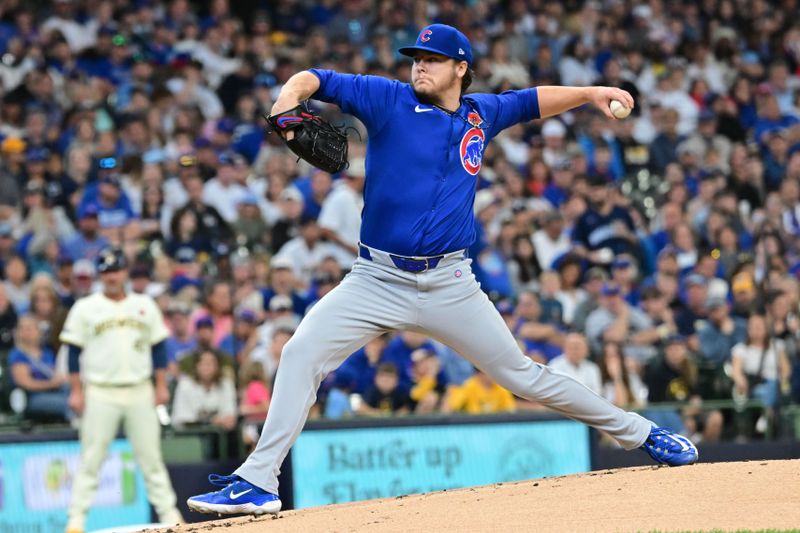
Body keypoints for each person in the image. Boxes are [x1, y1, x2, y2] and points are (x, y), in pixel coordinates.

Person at [188, 23, 697, 516]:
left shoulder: (482, 114)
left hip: (450, 282)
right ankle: (257, 481)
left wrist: (592, 92)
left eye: (431, 60)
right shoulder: (387, 100)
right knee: (300, 354)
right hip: (375, 279)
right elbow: (314, 78)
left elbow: (535, 99)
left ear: (461, 68)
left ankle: (642, 433)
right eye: (416, 59)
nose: (420, 67)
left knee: (523, 376)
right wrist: (287, 100)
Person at [59, 248, 182, 532]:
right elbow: (74, 352)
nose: (111, 276)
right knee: (91, 458)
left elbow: (159, 348)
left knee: (151, 458)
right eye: (106, 271)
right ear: (100, 275)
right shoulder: (85, 307)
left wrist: (161, 385)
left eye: (116, 270)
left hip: (140, 388)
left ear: (125, 272)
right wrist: (76, 391)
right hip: (101, 390)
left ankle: (170, 516)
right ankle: (75, 521)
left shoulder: (144, 304)